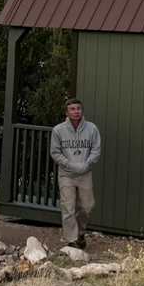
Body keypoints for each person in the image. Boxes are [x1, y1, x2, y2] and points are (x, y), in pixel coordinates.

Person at [49, 98, 101, 249]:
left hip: (85, 173)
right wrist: (69, 164)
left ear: (82, 110)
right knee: (68, 207)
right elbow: (55, 152)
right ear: (67, 112)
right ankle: (71, 240)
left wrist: (87, 164)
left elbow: (96, 150)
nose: (76, 111)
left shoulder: (92, 129)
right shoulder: (58, 130)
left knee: (87, 206)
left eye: (78, 108)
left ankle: (80, 233)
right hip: (66, 174)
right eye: (72, 109)